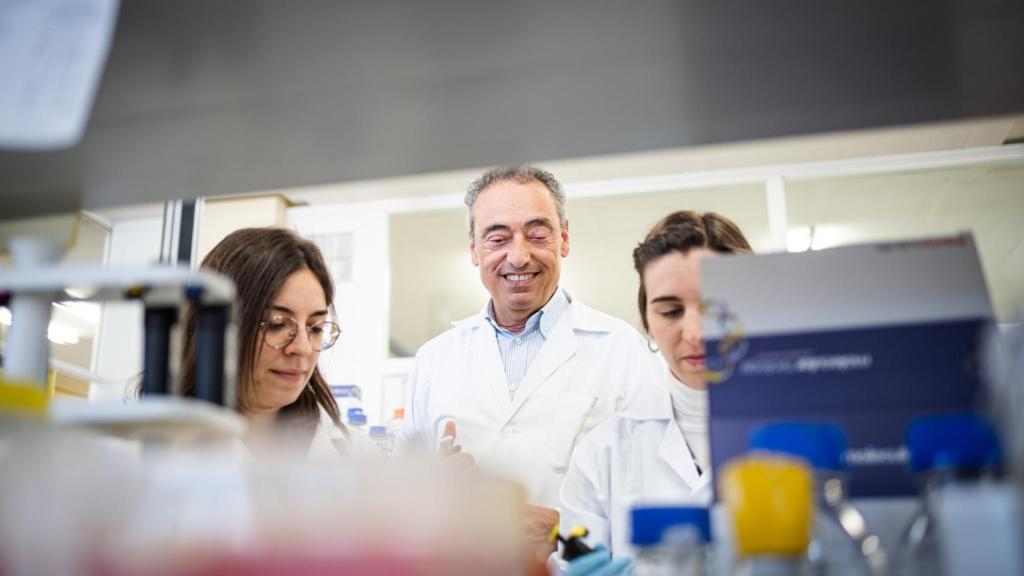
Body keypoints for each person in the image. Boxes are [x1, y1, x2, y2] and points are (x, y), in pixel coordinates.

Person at [394, 166, 654, 552]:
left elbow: (652, 496)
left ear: (563, 238)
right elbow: (397, 500)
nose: (518, 256)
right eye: (497, 238)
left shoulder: (622, 350)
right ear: (474, 249)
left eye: (537, 234)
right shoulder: (435, 359)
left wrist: (566, 530)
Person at [558, 210, 752, 566]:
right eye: (670, 311)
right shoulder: (603, 453)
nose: (694, 334)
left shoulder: (806, 432)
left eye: (713, 308)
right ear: (647, 322)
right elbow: (574, 561)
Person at [176, 227, 355, 459]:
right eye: (276, 324)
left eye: (316, 327)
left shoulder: (356, 454)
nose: (303, 348)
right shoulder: (141, 453)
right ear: (215, 327)